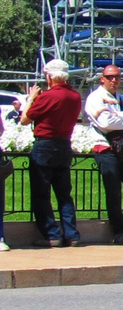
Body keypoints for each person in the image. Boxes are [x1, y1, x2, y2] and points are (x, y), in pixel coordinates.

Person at [19, 59, 81, 250]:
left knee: (41, 193)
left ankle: (52, 234)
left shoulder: (47, 96)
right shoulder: (75, 96)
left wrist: (31, 98)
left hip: (45, 145)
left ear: (50, 76)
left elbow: (24, 119)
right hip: (64, 144)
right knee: (64, 194)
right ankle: (71, 234)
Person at [85, 64, 123, 246]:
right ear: (102, 79)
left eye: (117, 77)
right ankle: (119, 232)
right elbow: (105, 122)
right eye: (110, 77)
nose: (114, 80)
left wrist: (116, 115)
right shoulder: (95, 98)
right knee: (114, 193)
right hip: (105, 149)